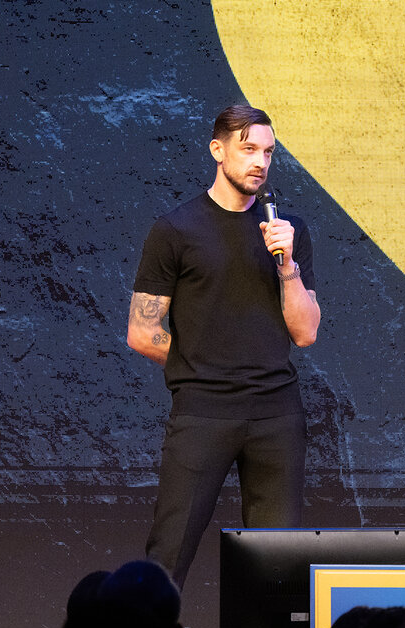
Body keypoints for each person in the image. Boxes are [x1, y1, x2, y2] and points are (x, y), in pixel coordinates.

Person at [127, 104, 320, 588]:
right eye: (249, 148)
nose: (260, 161)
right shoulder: (175, 230)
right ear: (218, 150)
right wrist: (204, 365)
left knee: (277, 565)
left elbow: (306, 333)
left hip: (276, 413)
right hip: (203, 411)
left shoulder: (287, 233)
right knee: (168, 555)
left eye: (269, 152)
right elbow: (142, 332)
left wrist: (287, 266)